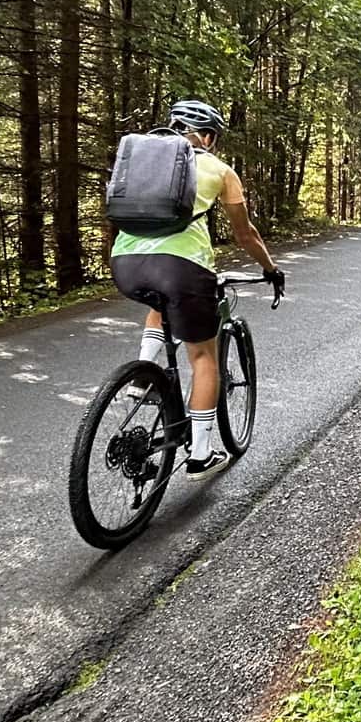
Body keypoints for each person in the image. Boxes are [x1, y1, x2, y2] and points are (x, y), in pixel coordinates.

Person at [111, 100, 284, 480]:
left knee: (160, 299)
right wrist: (269, 268)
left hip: (124, 264)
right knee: (204, 358)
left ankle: (143, 376)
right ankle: (201, 455)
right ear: (207, 136)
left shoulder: (143, 161)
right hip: (183, 269)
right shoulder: (219, 169)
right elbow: (245, 233)